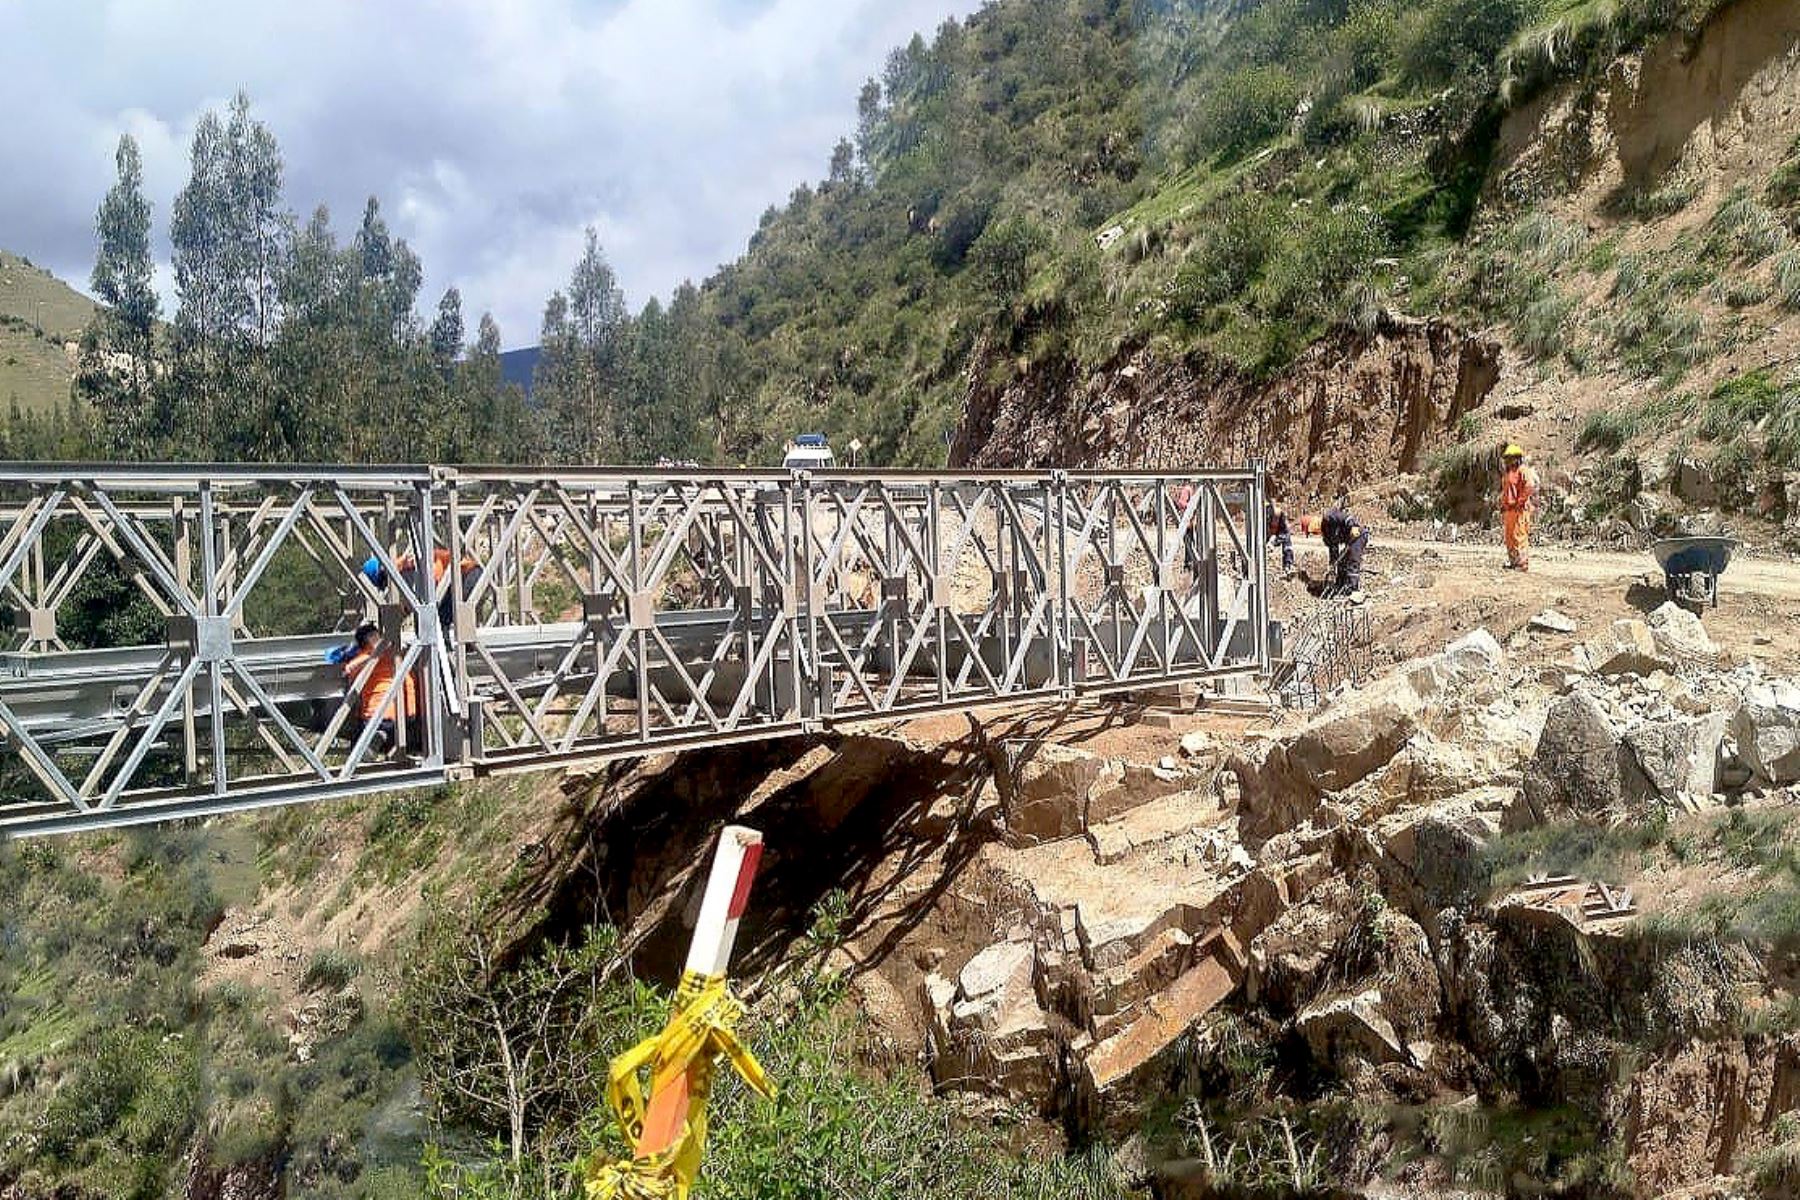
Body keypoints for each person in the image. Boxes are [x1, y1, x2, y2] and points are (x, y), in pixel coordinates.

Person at [362, 546, 482, 634]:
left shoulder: (406, 567)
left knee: (438, 617)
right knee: (438, 615)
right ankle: (453, 648)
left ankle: (450, 649)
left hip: (466, 577)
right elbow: (413, 599)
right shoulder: (405, 566)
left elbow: (433, 579)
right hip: (468, 576)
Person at [340, 622, 417, 753]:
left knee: (359, 733)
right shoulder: (396, 653)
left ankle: (379, 738)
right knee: (407, 734)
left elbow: (347, 674)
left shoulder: (360, 661)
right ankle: (388, 739)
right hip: (403, 714)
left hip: (373, 716)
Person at [1498, 444, 1539, 572]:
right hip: (1509, 509)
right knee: (1510, 536)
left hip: (1519, 509)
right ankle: (1514, 562)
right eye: (1507, 458)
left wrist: (1520, 501)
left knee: (1519, 535)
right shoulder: (1509, 473)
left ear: (1517, 458)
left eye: (1511, 458)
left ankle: (1522, 563)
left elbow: (1530, 486)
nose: (1508, 461)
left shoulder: (1523, 470)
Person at [1321, 492, 1369, 596]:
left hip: (1358, 535)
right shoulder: (1327, 537)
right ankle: (1341, 585)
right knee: (1341, 562)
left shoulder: (1329, 516)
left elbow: (1346, 517)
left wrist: (1353, 526)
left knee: (1352, 560)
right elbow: (1333, 550)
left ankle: (1352, 590)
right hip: (1349, 539)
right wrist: (1332, 564)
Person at [1268, 501, 1295, 573]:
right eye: (1275, 518)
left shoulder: (1282, 519)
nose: (1276, 520)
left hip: (1278, 533)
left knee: (1287, 544)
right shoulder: (1266, 515)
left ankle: (1287, 565)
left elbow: (1285, 534)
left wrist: (1274, 542)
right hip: (1266, 532)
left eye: (1277, 518)